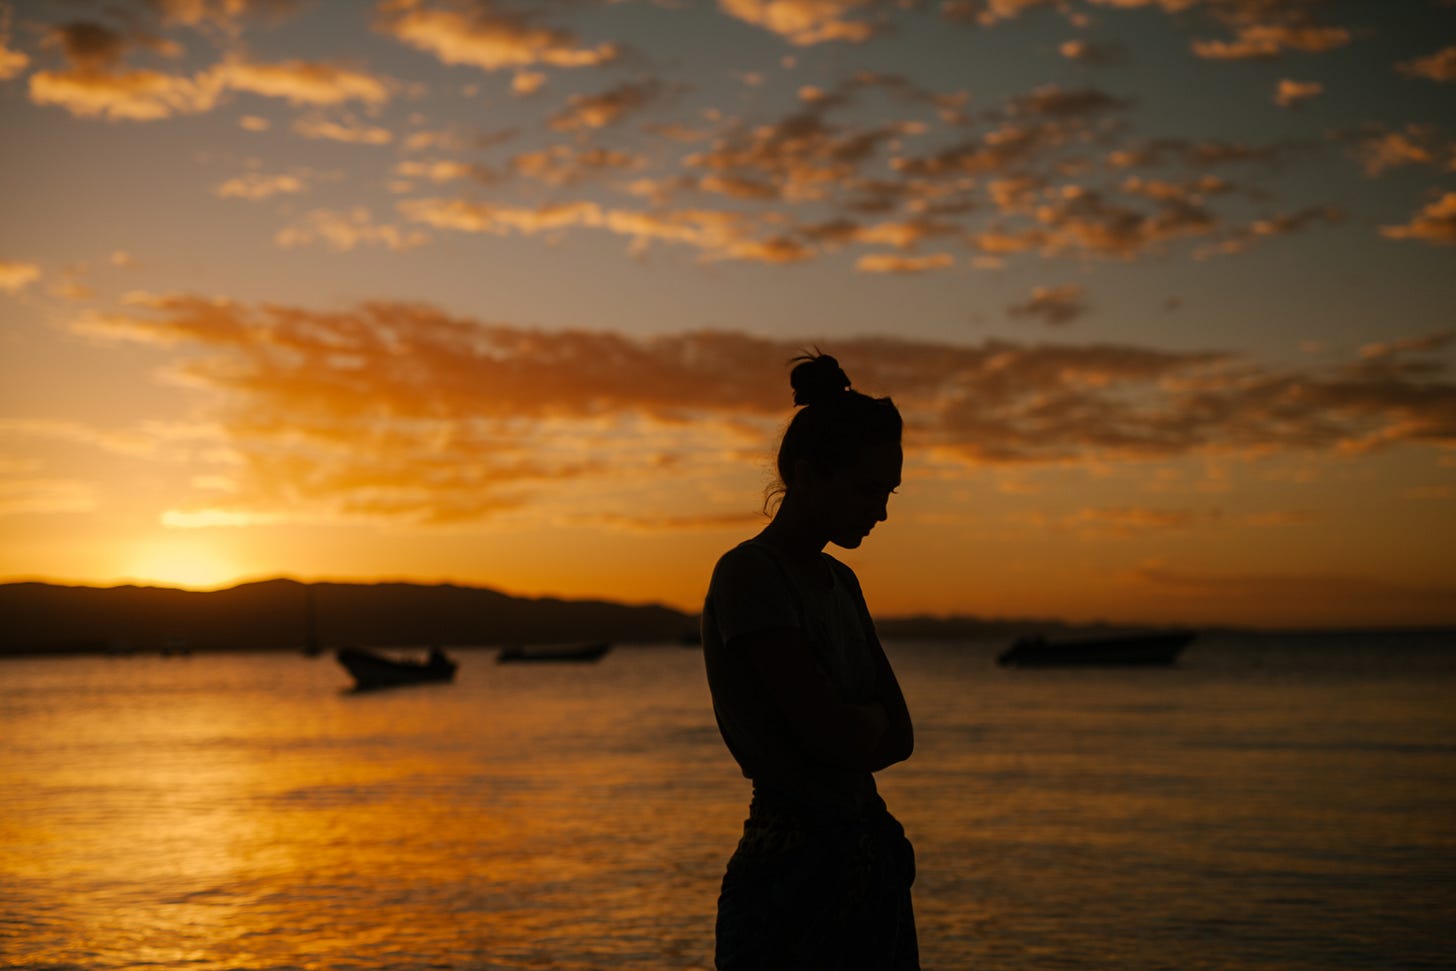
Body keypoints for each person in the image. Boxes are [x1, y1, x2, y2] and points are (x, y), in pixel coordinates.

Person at [701, 352, 918, 970]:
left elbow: (899, 736)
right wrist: (857, 723)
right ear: (807, 475)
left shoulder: (841, 583)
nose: (880, 510)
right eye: (867, 489)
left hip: (865, 870)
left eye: (888, 492)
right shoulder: (750, 575)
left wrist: (858, 726)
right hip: (790, 877)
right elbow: (832, 734)